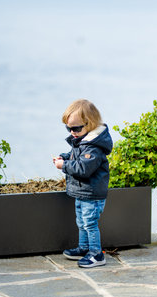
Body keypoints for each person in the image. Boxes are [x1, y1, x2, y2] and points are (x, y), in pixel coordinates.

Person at [53, 99, 113, 268]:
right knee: (81, 221)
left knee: (90, 223)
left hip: (92, 194)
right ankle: (84, 247)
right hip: (82, 193)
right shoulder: (82, 140)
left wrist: (63, 166)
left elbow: (83, 168)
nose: (72, 132)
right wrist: (64, 157)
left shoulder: (93, 147)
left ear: (90, 124)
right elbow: (74, 156)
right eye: (68, 128)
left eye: (76, 128)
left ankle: (96, 254)